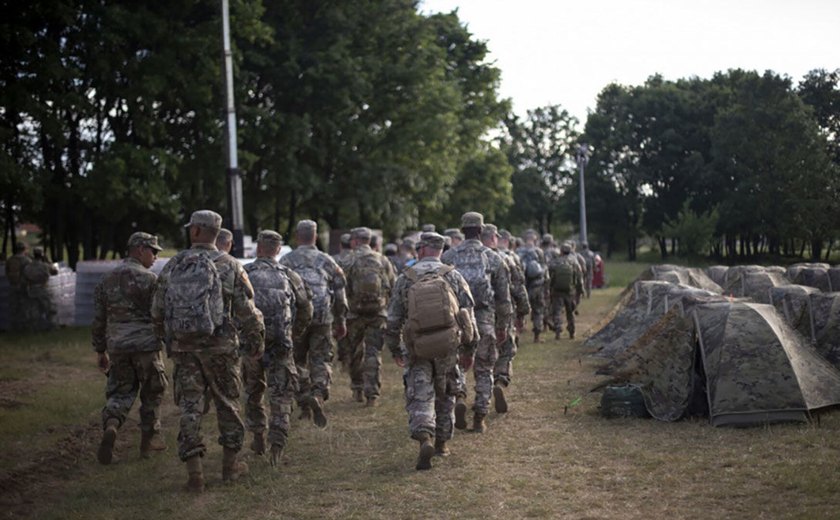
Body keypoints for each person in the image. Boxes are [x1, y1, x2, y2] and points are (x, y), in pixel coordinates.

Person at [152, 210, 265, 493]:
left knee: (190, 407)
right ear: (217, 233)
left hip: (185, 348)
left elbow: (157, 309)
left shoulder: (174, 264)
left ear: (195, 232)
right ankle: (230, 466)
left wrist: (166, 339)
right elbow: (246, 311)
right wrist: (256, 342)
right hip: (221, 349)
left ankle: (195, 473)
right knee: (227, 404)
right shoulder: (230, 265)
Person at [384, 232, 477, 470]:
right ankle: (442, 444)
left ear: (422, 249)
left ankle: (424, 436)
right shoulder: (453, 275)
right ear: (441, 250)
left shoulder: (406, 277)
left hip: (417, 347)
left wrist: (394, 347)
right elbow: (467, 315)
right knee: (446, 393)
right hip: (448, 346)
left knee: (420, 392)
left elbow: (393, 318)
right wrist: (469, 348)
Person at [92, 232, 167, 465]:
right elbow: (160, 314)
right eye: (153, 251)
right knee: (152, 392)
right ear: (139, 249)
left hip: (118, 347)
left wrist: (100, 350)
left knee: (120, 391)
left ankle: (112, 425)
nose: (155, 256)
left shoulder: (106, 279)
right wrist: (164, 340)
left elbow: (99, 319)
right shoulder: (151, 280)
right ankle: (147, 444)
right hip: (146, 347)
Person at [245, 230, 313, 464]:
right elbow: (306, 308)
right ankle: (277, 445)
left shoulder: (245, 273)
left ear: (258, 248)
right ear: (277, 250)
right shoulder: (289, 275)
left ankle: (257, 436)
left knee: (253, 392)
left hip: (252, 345)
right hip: (281, 343)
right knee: (281, 394)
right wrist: (294, 332)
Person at [441, 212, 512, 433]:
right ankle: (480, 417)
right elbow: (503, 297)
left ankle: (460, 395)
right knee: (484, 367)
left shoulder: (448, 257)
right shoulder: (493, 257)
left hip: (457, 320)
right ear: (481, 231)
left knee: (458, 364)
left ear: (462, 230)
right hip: (485, 319)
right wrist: (503, 327)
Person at [280, 220, 348, 428]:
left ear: (297, 236)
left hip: (296, 319)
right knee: (321, 359)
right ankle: (318, 395)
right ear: (315, 236)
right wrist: (341, 320)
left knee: (297, 361)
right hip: (322, 318)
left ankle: (304, 404)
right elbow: (339, 292)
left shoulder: (287, 260)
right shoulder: (326, 260)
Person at [343, 226, 396, 406]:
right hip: (378, 313)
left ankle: (357, 388)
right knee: (374, 352)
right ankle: (372, 395)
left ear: (354, 241)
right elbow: (393, 285)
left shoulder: (347, 260)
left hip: (353, 313)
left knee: (355, 351)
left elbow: (340, 288)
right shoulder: (382, 259)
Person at [490, 228, 530, 412]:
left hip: (476, 316)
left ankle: (477, 394)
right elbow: (518, 288)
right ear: (495, 238)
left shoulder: (466, 257)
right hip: (504, 312)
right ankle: (500, 380)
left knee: (482, 355)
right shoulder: (507, 259)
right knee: (506, 351)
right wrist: (522, 312)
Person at [517, 230, 549, 343]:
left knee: (519, 311)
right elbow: (545, 269)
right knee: (538, 310)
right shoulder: (539, 251)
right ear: (535, 240)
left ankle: (517, 334)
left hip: (523, 286)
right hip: (538, 285)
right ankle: (537, 336)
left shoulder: (519, 251)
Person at [547, 242, 583, 339]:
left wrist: (549, 288)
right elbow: (579, 278)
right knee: (570, 312)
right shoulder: (574, 262)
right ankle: (572, 331)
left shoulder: (555, 262)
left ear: (561, 251)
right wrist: (580, 290)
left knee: (557, 311)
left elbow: (549, 276)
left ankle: (558, 330)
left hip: (557, 291)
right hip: (570, 291)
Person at [22, 246, 58, 330]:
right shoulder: (44, 266)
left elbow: (24, 278)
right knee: (50, 309)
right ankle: (52, 327)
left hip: (32, 290)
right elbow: (55, 271)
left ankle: (34, 328)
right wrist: (48, 261)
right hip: (42, 289)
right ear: (42, 255)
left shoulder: (28, 267)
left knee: (34, 310)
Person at [4, 242, 32, 330]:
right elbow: (29, 273)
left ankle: (14, 326)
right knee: (24, 306)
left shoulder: (10, 259)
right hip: (23, 285)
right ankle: (24, 326)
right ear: (24, 249)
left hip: (12, 285)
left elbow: (7, 272)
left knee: (14, 306)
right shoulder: (27, 260)